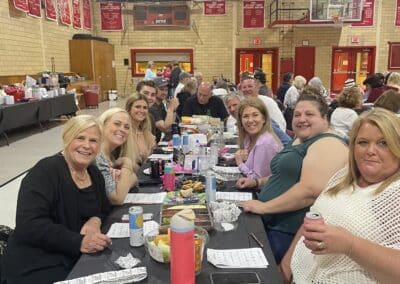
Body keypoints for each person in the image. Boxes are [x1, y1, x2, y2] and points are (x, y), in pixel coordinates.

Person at [282, 108, 400, 284]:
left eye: (383, 143)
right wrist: (285, 267)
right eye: (362, 142)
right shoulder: (343, 178)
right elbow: (310, 223)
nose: (370, 151)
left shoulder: (395, 193)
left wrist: (350, 245)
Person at [236, 90, 348, 264]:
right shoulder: (302, 139)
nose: (302, 119)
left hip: (286, 231)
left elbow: (309, 191)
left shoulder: (329, 143)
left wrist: (265, 207)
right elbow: (282, 175)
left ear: (325, 117)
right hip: (271, 222)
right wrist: (257, 181)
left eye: (309, 114)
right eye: (297, 115)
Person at [2, 115, 112, 283]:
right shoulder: (45, 171)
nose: (87, 146)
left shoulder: (94, 174)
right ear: (66, 139)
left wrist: (95, 220)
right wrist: (78, 242)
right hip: (38, 260)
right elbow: (29, 224)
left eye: (93, 141)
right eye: (80, 138)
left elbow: (104, 208)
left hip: (75, 256)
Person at [96, 108, 137, 205]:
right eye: (117, 124)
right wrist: (127, 162)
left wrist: (125, 181)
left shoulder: (112, 154)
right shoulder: (98, 156)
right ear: (103, 125)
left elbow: (134, 178)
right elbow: (117, 198)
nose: (122, 129)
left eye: (126, 127)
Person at [235, 97, 283, 179]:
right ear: (241, 121)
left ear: (263, 119)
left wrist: (240, 163)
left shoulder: (264, 143)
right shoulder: (248, 137)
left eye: (255, 115)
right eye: (246, 116)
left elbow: (257, 180)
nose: (250, 120)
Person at [224, 93, 292, 146]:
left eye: (235, 105)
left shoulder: (263, 123)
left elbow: (287, 142)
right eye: (229, 107)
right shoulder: (243, 124)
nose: (232, 109)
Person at [125, 94, 156, 170]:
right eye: (137, 107)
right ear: (129, 109)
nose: (142, 111)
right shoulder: (124, 132)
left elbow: (149, 159)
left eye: (145, 108)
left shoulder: (146, 134)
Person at [149, 77, 179, 142]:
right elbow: (165, 128)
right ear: (154, 90)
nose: (165, 92)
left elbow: (169, 126)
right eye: (161, 89)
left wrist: (173, 110)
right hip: (151, 144)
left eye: (166, 90)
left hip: (158, 141)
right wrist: (171, 109)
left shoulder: (161, 104)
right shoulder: (152, 107)